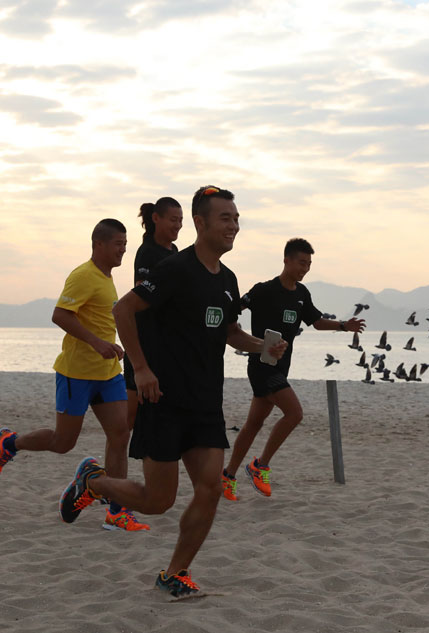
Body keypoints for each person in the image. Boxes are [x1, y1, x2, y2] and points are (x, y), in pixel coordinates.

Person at [58, 186, 287, 598]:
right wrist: (141, 368)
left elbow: (230, 331)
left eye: (237, 219)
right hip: (163, 401)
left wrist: (260, 346)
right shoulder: (174, 269)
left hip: (204, 406)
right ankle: (93, 482)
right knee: (156, 500)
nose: (234, 225)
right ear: (201, 223)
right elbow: (122, 309)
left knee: (211, 488)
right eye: (225, 218)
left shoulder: (229, 280)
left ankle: (175, 572)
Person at [0, 219, 148, 530]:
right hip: (77, 373)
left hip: (107, 373)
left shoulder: (107, 278)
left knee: (119, 435)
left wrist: (111, 344)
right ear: (98, 244)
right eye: (118, 244)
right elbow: (59, 314)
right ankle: (9, 443)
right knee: (63, 442)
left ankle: (116, 510)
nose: (123, 250)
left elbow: (100, 319)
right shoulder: (83, 275)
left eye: (125, 244)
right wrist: (97, 342)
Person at [221, 238, 365, 501]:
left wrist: (344, 325)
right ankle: (259, 466)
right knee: (295, 413)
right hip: (262, 366)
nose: (305, 268)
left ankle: (227, 476)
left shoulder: (301, 294)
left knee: (253, 424)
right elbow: (233, 309)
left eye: (309, 264)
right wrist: (229, 327)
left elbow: (317, 322)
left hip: (281, 367)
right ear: (286, 259)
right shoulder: (264, 290)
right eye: (301, 262)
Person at [125, 199, 182, 428]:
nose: (177, 225)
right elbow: (142, 292)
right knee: (129, 421)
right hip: (143, 341)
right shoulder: (147, 251)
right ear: (156, 218)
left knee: (157, 414)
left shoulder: (174, 251)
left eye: (180, 221)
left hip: (165, 344)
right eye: (173, 219)